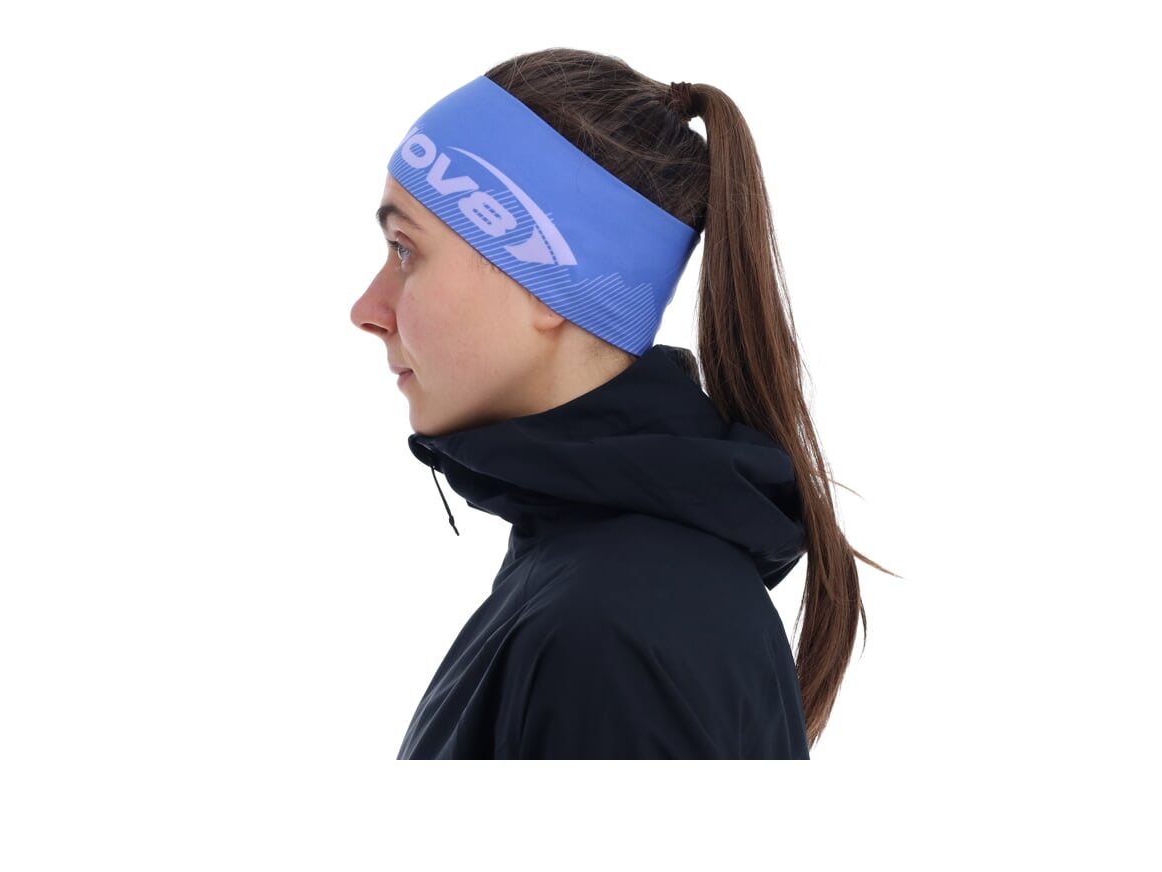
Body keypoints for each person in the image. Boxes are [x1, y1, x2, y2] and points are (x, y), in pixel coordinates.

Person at [350, 47, 883, 759]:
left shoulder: (608, 633)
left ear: (546, 276)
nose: (367, 309)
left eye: (404, 250)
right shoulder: (599, 583)